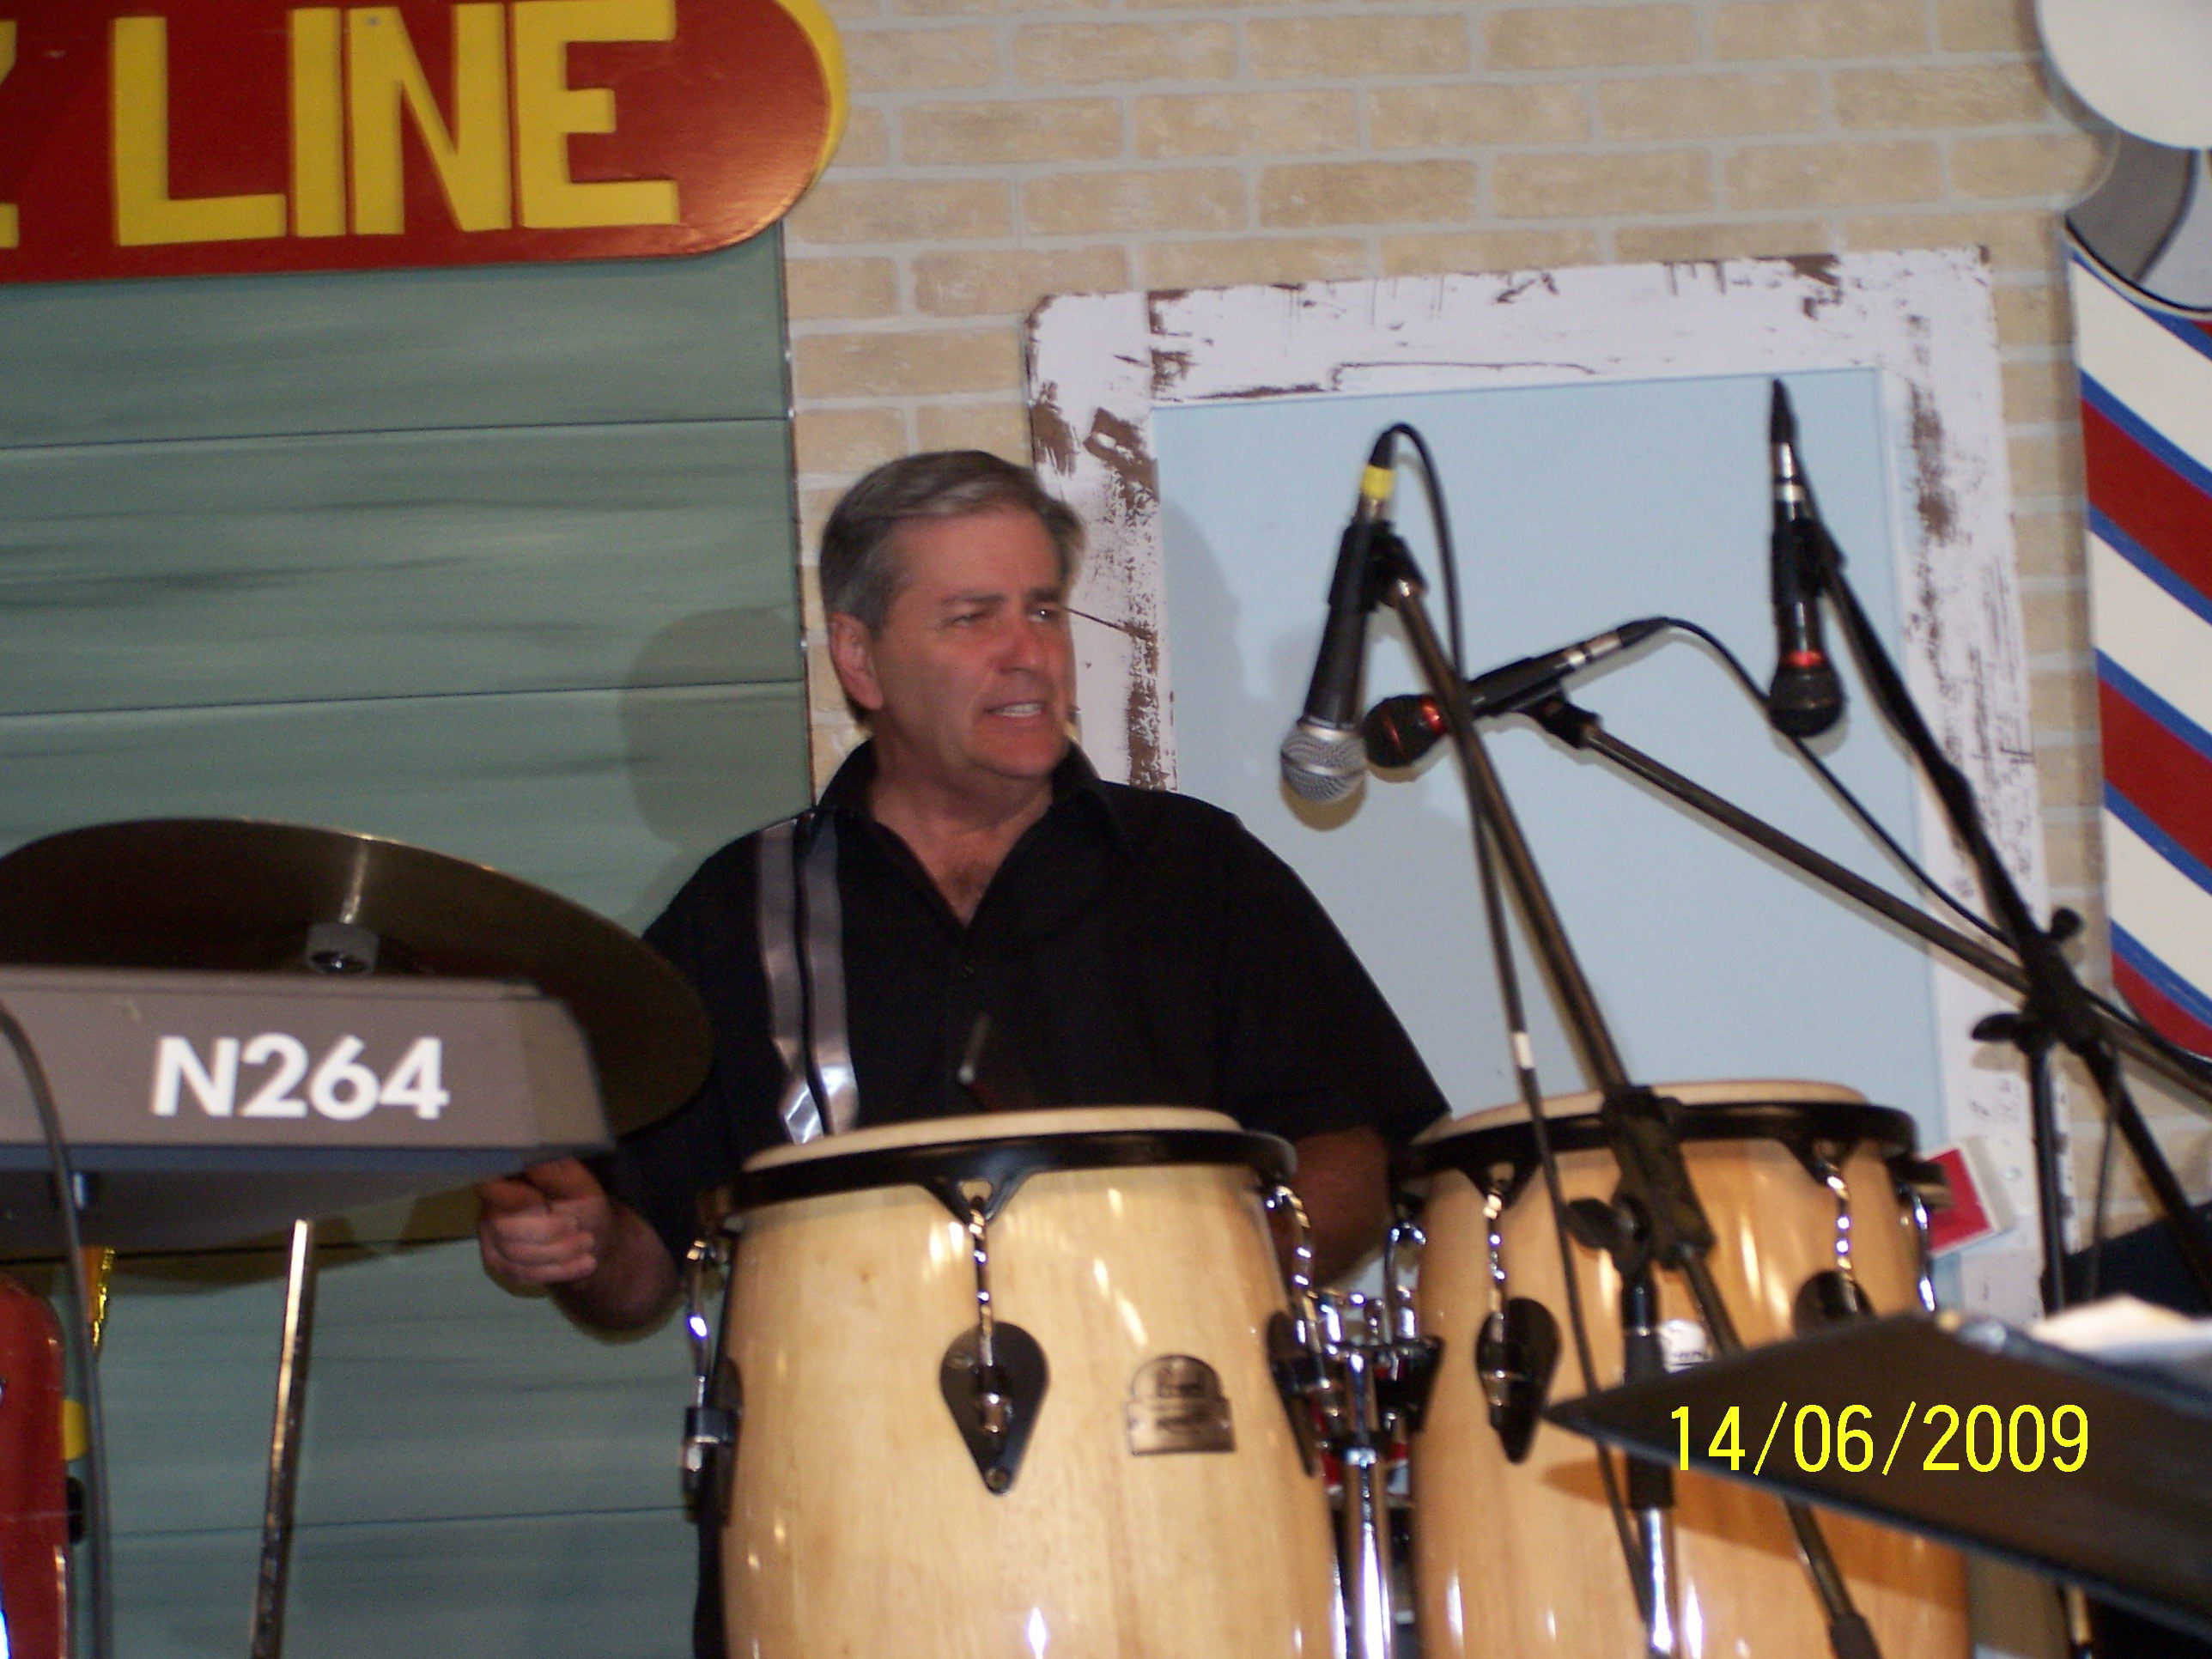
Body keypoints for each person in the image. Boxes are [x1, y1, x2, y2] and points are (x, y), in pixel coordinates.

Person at [477, 449, 1449, 1328]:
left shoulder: (1197, 868)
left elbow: (1354, 1149)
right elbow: (636, 1276)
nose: (1028, 652)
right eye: (972, 618)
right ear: (860, 659)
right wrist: (577, 1241)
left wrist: (1209, 1282)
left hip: (1171, 1416)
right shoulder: (742, 908)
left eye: (1042, 610)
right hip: (851, 1435)